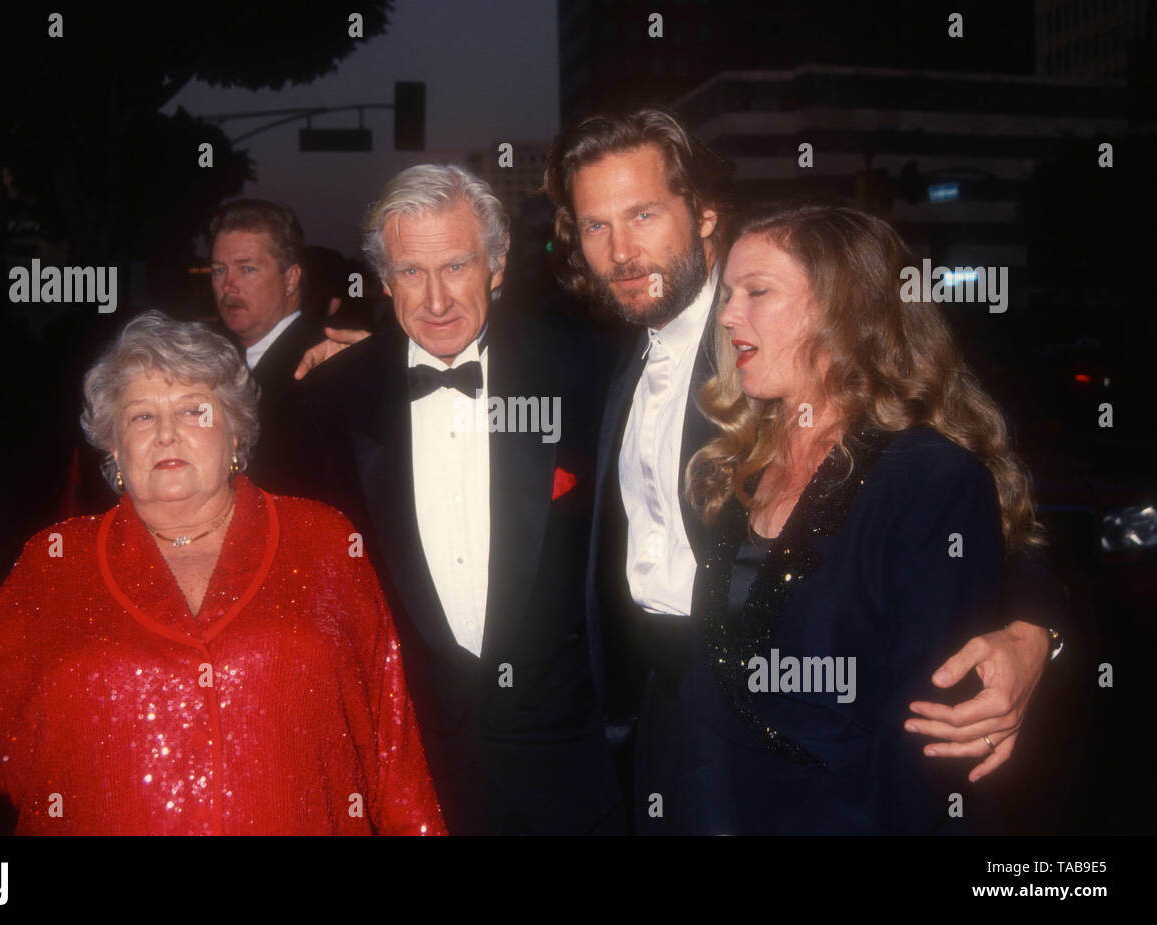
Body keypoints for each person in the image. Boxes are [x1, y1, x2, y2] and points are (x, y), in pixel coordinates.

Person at [540, 107, 1068, 833]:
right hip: (663, 721)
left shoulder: (787, 334)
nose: (620, 250)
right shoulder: (605, 351)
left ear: (703, 213)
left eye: (642, 215)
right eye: (594, 226)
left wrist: (1034, 630)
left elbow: (980, 496)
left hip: (811, 745)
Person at [0, 310, 444, 836]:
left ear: (237, 434)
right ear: (115, 452)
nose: (167, 432)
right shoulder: (56, 560)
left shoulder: (321, 541)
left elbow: (390, 746)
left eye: (194, 409)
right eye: (142, 416)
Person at [677, 201, 1037, 833]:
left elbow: (922, 746)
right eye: (729, 293)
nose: (729, 314)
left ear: (846, 310)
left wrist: (1040, 633)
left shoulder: (929, 480)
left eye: (757, 291)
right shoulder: (738, 460)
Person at [300, 164, 624, 834]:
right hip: (413, 769)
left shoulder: (591, 370)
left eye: (456, 265)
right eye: (411, 273)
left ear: (497, 266)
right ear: (384, 281)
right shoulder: (330, 399)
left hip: (569, 769)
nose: (436, 298)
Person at [209, 199, 323, 496]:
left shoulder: (323, 363)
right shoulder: (211, 364)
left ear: (291, 278)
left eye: (247, 269)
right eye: (219, 270)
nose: (228, 285)